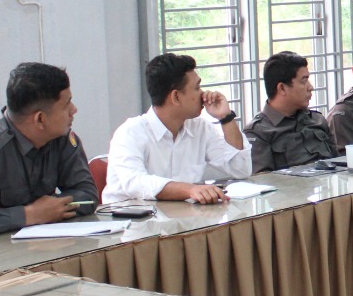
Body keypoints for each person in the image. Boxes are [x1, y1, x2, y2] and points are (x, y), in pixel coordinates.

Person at [0, 62, 97, 239]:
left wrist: (46, 209)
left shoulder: (62, 139)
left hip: (41, 248)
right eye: (66, 105)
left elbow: (88, 195)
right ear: (40, 119)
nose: (74, 110)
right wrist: (28, 214)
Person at [103, 53, 250, 204]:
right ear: (176, 97)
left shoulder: (200, 128)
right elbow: (135, 183)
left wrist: (225, 118)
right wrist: (189, 189)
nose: (203, 94)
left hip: (183, 221)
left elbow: (240, 169)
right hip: (131, 222)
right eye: (197, 87)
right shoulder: (130, 133)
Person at [244, 51, 339, 173]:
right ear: (282, 88)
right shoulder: (258, 132)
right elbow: (264, 184)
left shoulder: (317, 120)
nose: (311, 87)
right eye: (304, 81)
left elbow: (338, 166)